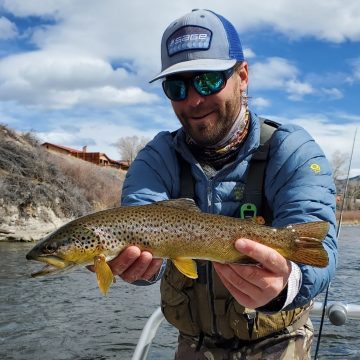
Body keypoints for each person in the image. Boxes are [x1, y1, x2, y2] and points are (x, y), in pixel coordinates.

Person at [107, 9, 337, 359]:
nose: (193, 99)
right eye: (177, 86)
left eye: (208, 80)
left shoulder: (293, 151)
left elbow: (323, 253)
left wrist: (285, 284)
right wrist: (140, 270)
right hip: (195, 343)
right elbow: (135, 225)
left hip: (280, 338)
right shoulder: (155, 159)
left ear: (242, 76)